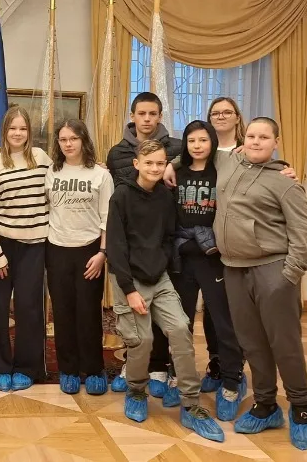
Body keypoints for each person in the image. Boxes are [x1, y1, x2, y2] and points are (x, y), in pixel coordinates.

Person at [106, 139, 224, 443]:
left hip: (159, 279)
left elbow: (169, 237)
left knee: (181, 329)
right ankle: (136, 390)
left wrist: (162, 267)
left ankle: (191, 404)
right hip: (129, 280)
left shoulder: (165, 197)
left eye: (160, 163)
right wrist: (130, 289)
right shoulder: (121, 196)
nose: (155, 168)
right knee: (142, 340)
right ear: (137, 164)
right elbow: (116, 248)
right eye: (149, 163)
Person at [208, 117, 307, 450]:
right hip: (233, 269)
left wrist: (289, 276)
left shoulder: (285, 183)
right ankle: (266, 405)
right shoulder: (228, 164)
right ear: (244, 140)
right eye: (251, 136)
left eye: (263, 137)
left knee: (284, 343)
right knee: (251, 342)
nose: (256, 141)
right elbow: (190, 153)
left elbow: (302, 234)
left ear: (275, 143)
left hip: (272, 270)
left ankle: (301, 407)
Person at [166, 120, 245, 420]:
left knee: (223, 322)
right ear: (185, 145)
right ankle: (179, 377)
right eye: (191, 141)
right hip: (183, 258)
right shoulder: (175, 173)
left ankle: (231, 382)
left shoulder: (222, 171)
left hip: (214, 258)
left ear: (212, 142)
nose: (197, 146)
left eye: (203, 140)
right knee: (180, 323)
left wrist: (284, 168)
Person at [106, 92, 181, 396]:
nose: (147, 119)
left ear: (160, 116)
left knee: (165, 317)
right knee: (134, 320)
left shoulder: (176, 148)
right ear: (132, 116)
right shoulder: (116, 153)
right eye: (142, 113)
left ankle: (160, 367)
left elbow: (209, 157)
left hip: (160, 244)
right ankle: (132, 366)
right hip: (130, 246)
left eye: (153, 113)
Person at [0, 106, 51, 392]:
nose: (18, 133)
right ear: (4, 131)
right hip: (2, 245)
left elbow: (57, 192)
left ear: (29, 131)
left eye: (23, 128)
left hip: (34, 246)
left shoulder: (42, 159)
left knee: (29, 307)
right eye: (13, 128)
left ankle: (27, 366)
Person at [45, 119, 114, 395]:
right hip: (57, 248)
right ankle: (69, 369)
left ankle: (94, 368)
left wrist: (102, 253)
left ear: (84, 140)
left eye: (73, 138)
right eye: (63, 139)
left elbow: (107, 218)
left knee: (88, 312)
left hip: (90, 250)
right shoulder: (51, 172)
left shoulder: (100, 175)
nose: (68, 144)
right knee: (62, 313)